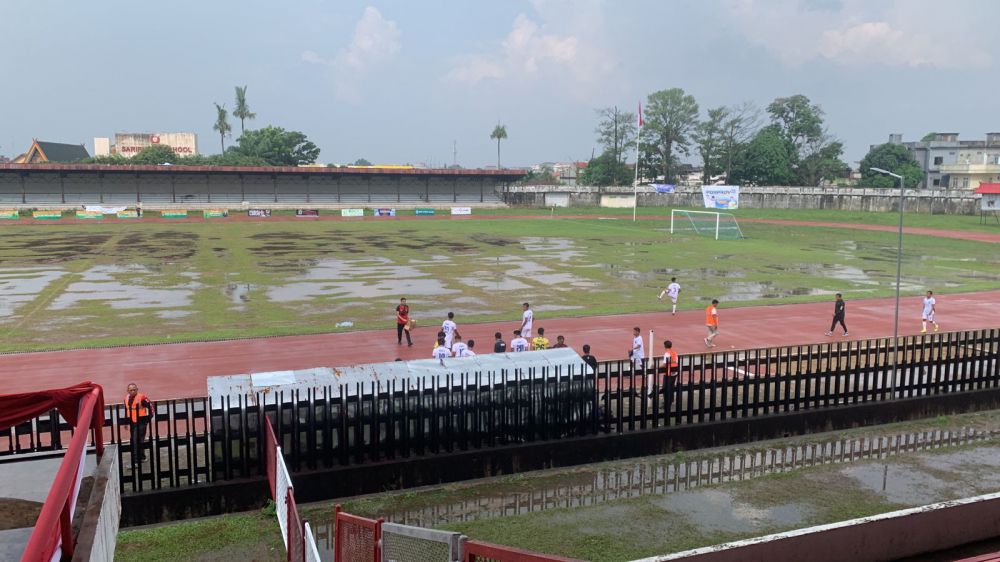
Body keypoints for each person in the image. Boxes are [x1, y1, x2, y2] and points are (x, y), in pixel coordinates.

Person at [124, 383, 153, 462]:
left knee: (135, 440)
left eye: (134, 389)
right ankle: (142, 457)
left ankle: (135, 460)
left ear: (137, 389)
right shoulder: (126, 398)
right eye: (131, 390)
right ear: (128, 391)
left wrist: (148, 419)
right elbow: (127, 410)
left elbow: (150, 407)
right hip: (132, 422)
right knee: (139, 440)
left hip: (141, 422)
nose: (133, 391)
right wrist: (126, 422)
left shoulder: (142, 397)